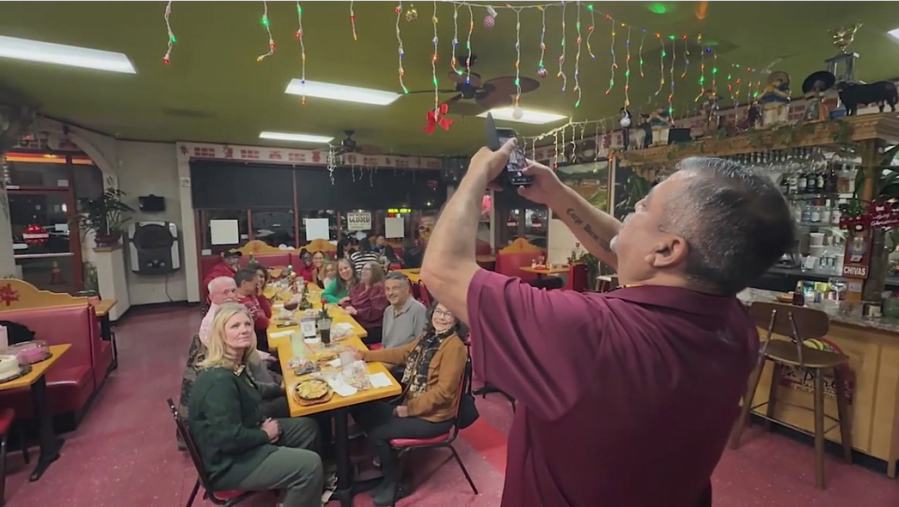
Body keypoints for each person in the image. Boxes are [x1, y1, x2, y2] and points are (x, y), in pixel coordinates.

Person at [420, 140, 794, 507]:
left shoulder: (590, 333)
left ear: (667, 250)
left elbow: (442, 270)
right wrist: (556, 194)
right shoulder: (736, 327)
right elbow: (627, 249)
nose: (631, 211)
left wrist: (476, 173)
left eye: (643, 208)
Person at [189, 304, 323, 507]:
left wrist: (282, 387)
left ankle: (295, 494)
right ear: (220, 334)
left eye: (246, 324)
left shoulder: (232, 364)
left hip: (244, 439)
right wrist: (265, 435)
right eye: (234, 326)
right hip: (228, 464)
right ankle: (302, 482)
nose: (243, 330)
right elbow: (229, 439)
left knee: (307, 428)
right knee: (310, 465)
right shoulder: (218, 380)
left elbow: (253, 389)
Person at [351, 301, 467, 506]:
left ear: (456, 319)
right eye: (438, 312)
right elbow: (402, 352)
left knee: (378, 432)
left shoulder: (454, 347)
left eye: (448, 314)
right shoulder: (429, 338)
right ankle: (388, 468)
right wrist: (366, 355)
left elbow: (443, 393)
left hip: (434, 418)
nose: (441, 317)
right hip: (415, 405)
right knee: (365, 408)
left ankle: (396, 482)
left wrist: (408, 409)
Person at [342, 261, 389, 346]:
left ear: (375, 272)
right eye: (363, 269)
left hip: (372, 328)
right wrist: (349, 308)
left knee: (345, 339)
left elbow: (376, 312)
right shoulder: (361, 286)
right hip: (356, 322)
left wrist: (356, 312)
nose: (363, 271)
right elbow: (346, 301)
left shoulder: (378, 288)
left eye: (367, 269)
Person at [382, 272, 427, 350]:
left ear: (406, 290)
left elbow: (421, 347)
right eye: (387, 289)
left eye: (395, 288)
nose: (390, 293)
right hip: (386, 358)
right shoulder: (388, 311)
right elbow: (384, 345)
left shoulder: (418, 310)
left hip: (405, 361)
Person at [235, 268, 271, 352]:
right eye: (255, 283)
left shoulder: (250, 296)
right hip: (254, 345)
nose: (258, 286)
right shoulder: (244, 301)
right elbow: (264, 323)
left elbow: (268, 314)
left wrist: (260, 295)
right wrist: (261, 311)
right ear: (244, 283)